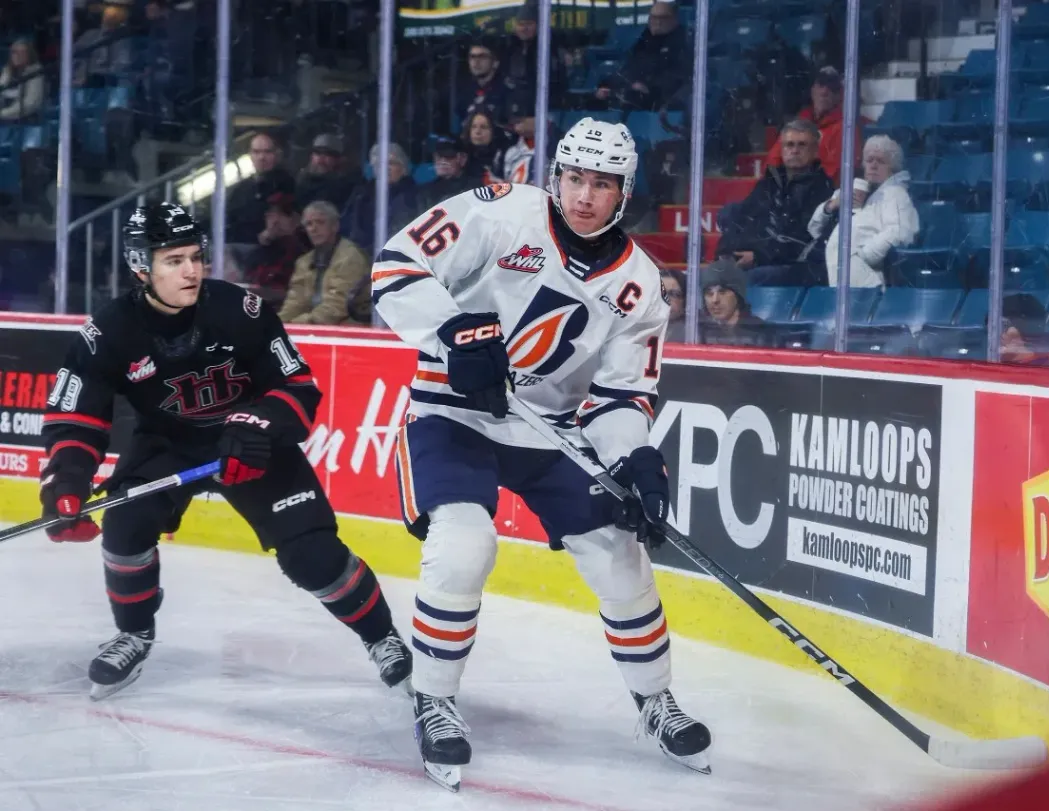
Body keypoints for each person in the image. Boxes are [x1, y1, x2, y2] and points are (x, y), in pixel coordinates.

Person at [372, 118, 711, 791]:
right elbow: (395, 264)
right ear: (556, 176)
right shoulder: (498, 211)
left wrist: (635, 460)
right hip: (453, 413)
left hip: (549, 429)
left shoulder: (640, 283)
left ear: (625, 192)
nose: (586, 195)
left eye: (603, 184)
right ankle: (434, 698)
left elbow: (620, 397)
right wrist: (453, 333)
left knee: (621, 555)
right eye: (576, 178)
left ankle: (655, 700)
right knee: (465, 545)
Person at [38, 203, 412, 701]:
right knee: (125, 527)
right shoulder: (108, 332)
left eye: (196, 256)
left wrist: (257, 424)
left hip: (253, 443)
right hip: (168, 444)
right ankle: (134, 632)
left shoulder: (241, 310)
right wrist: (65, 482)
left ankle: (382, 637)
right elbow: (75, 418)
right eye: (174, 260)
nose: (192, 270)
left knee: (312, 556)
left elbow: (298, 387)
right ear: (140, 267)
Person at [715, 119, 834, 287]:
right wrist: (727, 253)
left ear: (815, 150)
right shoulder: (769, 182)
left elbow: (800, 240)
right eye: (789, 145)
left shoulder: (823, 188)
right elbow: (744, 219)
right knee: (708, 277)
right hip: (759, 259)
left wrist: (757, 257)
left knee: (749, 280)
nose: (795, 150)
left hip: (793, 267)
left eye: (802, 145)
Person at [808, 134, 919, 289]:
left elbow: (900, 232)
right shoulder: (849, 189)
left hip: (859, 275)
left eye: (880, 161)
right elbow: (813, 228)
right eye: (869, 160)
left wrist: (860, 258)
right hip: (824, 266)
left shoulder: (895, 194)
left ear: (892, 169)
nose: (873, 165)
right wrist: (833, 205)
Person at [279, 201, 372, 325]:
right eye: (309, 224)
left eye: (320, 222)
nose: (313, 229)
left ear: (335, 226)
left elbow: (338, 305)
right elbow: (295, 301)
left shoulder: (350, 257)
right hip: (313, 328)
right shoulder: (304, 262)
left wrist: (298, 323)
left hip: (350, 330)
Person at [698, 258, 766, 346]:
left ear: (738, 295)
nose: (715, 300)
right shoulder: (698, 332)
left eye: (722, 292)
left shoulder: (761, 332)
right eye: (709, 293)